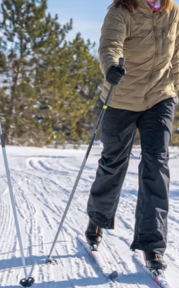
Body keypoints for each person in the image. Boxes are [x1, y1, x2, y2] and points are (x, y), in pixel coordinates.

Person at [86, 0, 178, 271]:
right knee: (113, 162)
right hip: (121, 97)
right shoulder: (121, 10)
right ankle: (98, 219)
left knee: (156, 163)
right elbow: (110, 45)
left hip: (160, 96)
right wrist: (111, 66)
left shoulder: (173, 12)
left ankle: (152, 244)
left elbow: (177, 56)